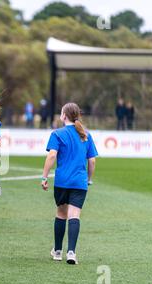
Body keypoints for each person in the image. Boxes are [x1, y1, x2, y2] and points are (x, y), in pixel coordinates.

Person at [41, 102, 98, 265]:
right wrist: (88, 179)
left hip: (62, 181)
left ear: (64, 116)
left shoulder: (57, 133)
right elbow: (92, 161)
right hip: (79, 182)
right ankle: (71, 252)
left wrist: (44, 177)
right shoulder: (86, 134)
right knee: (75, 216)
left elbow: (52, 155)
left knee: (61, 214)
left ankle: (58, 251)